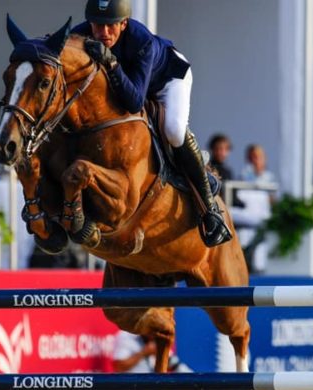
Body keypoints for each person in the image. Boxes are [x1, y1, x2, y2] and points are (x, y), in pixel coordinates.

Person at [72, 0, 231, 247]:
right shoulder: (81, 34)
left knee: (174, 131)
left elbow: (135, 101)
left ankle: (209, 206)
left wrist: (112, 64)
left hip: (167, 80)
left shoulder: (141, 41)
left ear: (124, 23)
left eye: (111, 26)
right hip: (133, 85)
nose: (103, 33)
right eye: (97, 25)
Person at [111, 330, 188, 373]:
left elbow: (175, 364)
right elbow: (119, 367)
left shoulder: (159, 339)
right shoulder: (126, 336)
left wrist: (161, 356)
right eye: (151, 328)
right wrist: (144, 352)